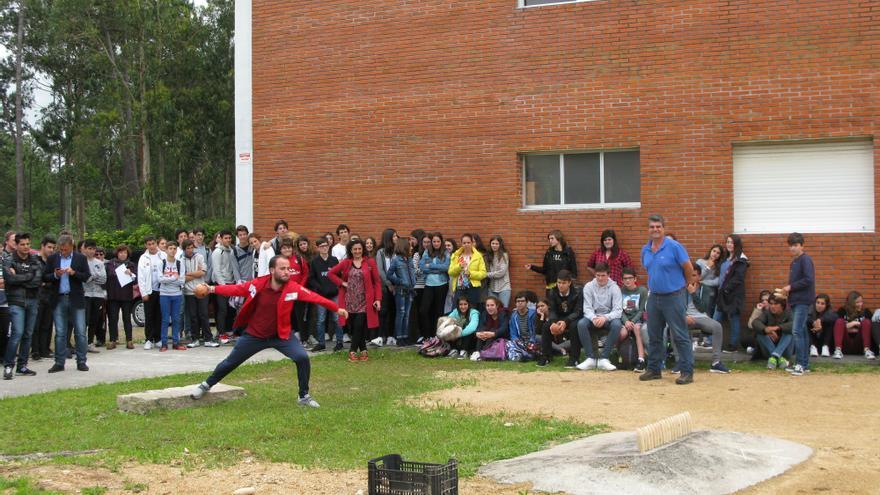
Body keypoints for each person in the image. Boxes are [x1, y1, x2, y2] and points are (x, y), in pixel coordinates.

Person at [190, 256, 348, 406]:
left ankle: (303, 396)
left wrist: (337, 308)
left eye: (289, 269)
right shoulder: (258, 284)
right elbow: (236, 289)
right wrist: (211, 288)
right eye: (282, 268)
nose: (287, 272)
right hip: (255, 335)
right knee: (230, 362)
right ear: (272, 270)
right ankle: (206, 385)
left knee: (302, 358)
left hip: (281, 335)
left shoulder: (293, 288)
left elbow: (314, 297)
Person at [639, 215, 694, 385]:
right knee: (654, 335)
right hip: (654, 297)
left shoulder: (674, 247)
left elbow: (688, 268)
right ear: (648, 229)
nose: (655, 230)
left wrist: (683, 285)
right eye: (652, 227)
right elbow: (649, 269)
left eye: (658, 227)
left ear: (663, 228)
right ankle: (654, 369)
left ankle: (686, 371)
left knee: (680, 335)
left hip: (673, 297)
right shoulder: (645, 250)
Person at [328, 239, 382, 361]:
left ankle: (352, 350)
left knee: (359, 325)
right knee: (356, 328)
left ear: (363, 249)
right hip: (349, 301)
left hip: (365, 301)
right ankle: (363, 350)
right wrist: (342, 283)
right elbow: (330, 273)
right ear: (351, 251)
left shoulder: (370, 262)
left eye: (359, 249)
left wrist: (378, 299)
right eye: (355, 249)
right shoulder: (346, 263)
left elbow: (377, 282)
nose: (357, 251)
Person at [45, 234, 91, 373]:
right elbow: (44, 276)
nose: (63, 252)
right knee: (60, 332)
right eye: (61, 249)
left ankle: (81, 361)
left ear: (72, 247)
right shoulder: (53, 258)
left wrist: (74, 273)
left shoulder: (80, 258)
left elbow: (86, 276)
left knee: (80, 332)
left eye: (65, 249)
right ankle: (59, 362)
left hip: (75, 298)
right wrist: (55, 275)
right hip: (59, 298)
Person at [2, 233, 43, 379]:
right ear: (17, 245)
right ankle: (8, 366)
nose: (26, 247)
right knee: (17, 333)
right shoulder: (8, 259)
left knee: (28, 334)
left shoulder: (35, 260)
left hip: (33, 300)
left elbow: (37, 280)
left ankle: (22, 366)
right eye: (23, 244)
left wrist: (19, 276)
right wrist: (27, 276)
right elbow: (10, 279)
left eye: (28, 244)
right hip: (16, 301)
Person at [575, 263, 623, 371]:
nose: (600, 278)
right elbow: (586, 308)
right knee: (581, 324)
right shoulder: (588, 287)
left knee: (617, 324)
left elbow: (618, 310)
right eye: (598, 275)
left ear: (608, 275)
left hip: (608, 318)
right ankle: (590, 359)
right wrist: (594, 318)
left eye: (603, 275)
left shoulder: (615, 288)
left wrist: (605, 318)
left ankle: (604, 359)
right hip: (593, 317)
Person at [684, 264, 730, 373]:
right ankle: (680, 362)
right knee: (674, 326)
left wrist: (693, 294)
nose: (691, 278)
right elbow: (677, 306)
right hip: (685, 316)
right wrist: (684, 316)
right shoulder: (680, 288)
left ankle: (716, 362)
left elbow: (702, 308)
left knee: (717, 326)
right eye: (689, 275)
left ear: (699, 277)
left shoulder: (705, 288)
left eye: (694, 275)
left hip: (701, 316)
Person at [782, 232, 816, 375]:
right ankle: (804, 363)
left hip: (803, 300)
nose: (792, 248)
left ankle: (801, 364)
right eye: (791, 246)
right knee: (801, 331)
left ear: (802, 245)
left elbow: (809, 279)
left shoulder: (805, 260)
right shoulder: (794, 261)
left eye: (795, 245)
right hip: (796, 300)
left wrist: (790, 287)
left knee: (797, 331)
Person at [539, 269, 582, 367]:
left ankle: (574, 358)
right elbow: (552, 310)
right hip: (558, 317)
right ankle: (546, 357)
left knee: (574, 326)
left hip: (573, 318)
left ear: (569, 283)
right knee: (546, 326)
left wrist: (565, 322)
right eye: (559, 282)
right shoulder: (552, 292)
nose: (560, 285)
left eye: (563, 283)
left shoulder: (578, 291)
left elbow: (578, 311)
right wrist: (553, 322)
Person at [714, 234, 749, 352]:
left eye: (732, 242)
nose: (729, 244)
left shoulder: (741, 260)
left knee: (734, 318)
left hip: (733, 295)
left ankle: (733, 346)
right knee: (716, 318)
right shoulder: (725, 258)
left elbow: (739, 278)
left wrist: (727, 289)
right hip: (722, 294)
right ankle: (709, 342)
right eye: (728, 242)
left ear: (737, 244)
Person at [307, 238, 341, 352]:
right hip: (321, 295)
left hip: (334, 294)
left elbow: (339, 275)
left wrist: (336, 287)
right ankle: (321, 343)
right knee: (321, 319)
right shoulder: (314, 261)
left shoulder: (334, 260)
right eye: (321, 246)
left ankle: (339, 342)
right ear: (318, 248)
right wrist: (319, 288)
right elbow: (311, 279)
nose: (324, 247)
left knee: (337, 318)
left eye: (326, 245)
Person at [183, 240, 218, 348]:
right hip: (189, 292)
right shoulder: (180, 259)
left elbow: (202, 272)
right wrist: (195, 274)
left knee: (204, 315)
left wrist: (188, 274)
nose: (190, 250)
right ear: (184, 249)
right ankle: (195, 339)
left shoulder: (199, 257)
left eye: (191, 247)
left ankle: (208, 339)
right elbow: (182, 278)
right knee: (193, 316)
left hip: (202, 289)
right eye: (187, 248)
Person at [418, 233, 450, 343]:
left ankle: (438, 336)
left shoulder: (445, 252)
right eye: (434, 241)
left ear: (441, 242)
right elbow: (422, 267)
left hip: (441, 285)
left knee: (438, 311)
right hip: (429, 284)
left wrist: (430, 266)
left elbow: (446, 267)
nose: (436, 243)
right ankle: (427, 336)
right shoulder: (427, 252)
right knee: (424, 310)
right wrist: (437, 269)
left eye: (438, 241)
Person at [212, 230, 242, 342]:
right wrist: (223, 286)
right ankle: (221, 333)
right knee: (222, 310)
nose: (228, 240)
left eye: (230, 238)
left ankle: (229, 331)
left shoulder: (231, 250)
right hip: (222, 285)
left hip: (232, 284)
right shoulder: (217, 252)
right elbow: (217, 270)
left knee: (231, 309)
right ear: (221, 238)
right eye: (226, 238)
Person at [105, 244, 137, 350]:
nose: (123, 254)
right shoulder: (110, 263)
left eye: (125, 252)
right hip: (113, 295)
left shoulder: (131, 265)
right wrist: (120, 271)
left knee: (127, 318)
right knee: (113, 318)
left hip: (126, 296)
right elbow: (110, 274)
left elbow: (135, 279)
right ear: (117, 253)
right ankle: (113, 340)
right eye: (121, 252)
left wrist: (130, 274)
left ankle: (129, 340)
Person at [137, 236, 167, 349]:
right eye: (149, 244)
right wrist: (143, 292)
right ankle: (149, 339)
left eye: (153, 243)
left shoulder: (163, 255)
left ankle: (158, 338)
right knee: (149, 316)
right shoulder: (143, 258)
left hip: (162, 290)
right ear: (146, 245)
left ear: (156, 244)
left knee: (159, 315)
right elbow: (141, 277)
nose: (151, 246)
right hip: (149, 291)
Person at [387, 238, 416, 346]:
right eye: (410, 246)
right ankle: (399, 337)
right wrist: (400, 281)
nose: (411, 248)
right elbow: (389, 275)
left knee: (407, 314)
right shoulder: (396, 260)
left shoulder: (409, 259)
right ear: (404, 247)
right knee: (401, 313)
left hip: (410, 290)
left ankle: (405, 336)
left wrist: (414, 281)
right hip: (401, 290)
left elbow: (412, 273)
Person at [753, 294, 793, 370]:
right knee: (760, 333)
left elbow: (794, 324)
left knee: (789, 333)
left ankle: (775, 357)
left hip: (785, 350)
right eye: (771, 304)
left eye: (776, 304)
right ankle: (778, 358)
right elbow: (755, 322)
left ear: (782, 305)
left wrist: (777, 328)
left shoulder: (789, 313)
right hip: (769, 349)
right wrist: (766, 330)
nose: (772, 306)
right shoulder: (767, 313)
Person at [158, 242, 187, 351]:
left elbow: (182, 280)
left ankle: (176, 342)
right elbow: (160, 279)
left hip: (177, 294)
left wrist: (168, 279)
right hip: (164, 294)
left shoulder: (180, 264)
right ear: (166, 250)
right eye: (170, 248)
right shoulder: (162, 263)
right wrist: (174, 278)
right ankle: (164, 343)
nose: (172, 250)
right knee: (165, 319)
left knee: (176, 319)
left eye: (175, 248)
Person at [619, 266, 648, 372]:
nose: (627, 280)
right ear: (622, 280)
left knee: (636, 328)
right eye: (625, 279)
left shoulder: (642, 291)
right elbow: (619, 310)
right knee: (621, 334)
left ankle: (641, 360)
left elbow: (641, 310)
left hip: (638, 320)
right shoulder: (620, 291)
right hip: (624, 321)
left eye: (630, 278)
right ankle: (621, 358)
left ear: (635, 279)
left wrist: (632, 321)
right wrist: (626, 321)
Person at [448, 233, 487, 309]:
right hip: (459, 288)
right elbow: (450, 272)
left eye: (468, 242)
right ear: (461, 244)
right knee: (456, 310)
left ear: (472, 243)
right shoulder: (456, 256)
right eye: (464, 243)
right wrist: (459, 267)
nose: (466, 245)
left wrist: (470, 274)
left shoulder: (478, 256)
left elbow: (483, 273)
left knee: (472, 311)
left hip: (473, 288)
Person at [32, 236, 56, 359]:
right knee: (36, 324)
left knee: (47, 324)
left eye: (53, 247)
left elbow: (54, 278)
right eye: (49, 247)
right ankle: (35, 350)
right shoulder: (35, 260)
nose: (51, 250)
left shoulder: (52, 261)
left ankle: (45, 349)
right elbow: (37, 278)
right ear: (42, 246)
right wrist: (46, 281)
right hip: (38, 296)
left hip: (50, 296)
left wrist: (47, 281)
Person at [832, 291, 874, 360]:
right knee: (839, 321)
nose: (860, 304)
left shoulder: (866, 312)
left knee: (866, 322)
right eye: (857, 302)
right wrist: (853, 324)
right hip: (845, 343)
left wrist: (849, 327)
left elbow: (869, 329)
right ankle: (838, 350)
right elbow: (837, 328)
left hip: (860, 344)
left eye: (861, 302)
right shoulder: (842, 311)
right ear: (851, 303)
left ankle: (867, 350)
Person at [375, 228, 399, 346]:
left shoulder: (397, 251)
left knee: (393, 310)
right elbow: (380, 270)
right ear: (389, 238)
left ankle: (391, 335)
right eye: (394, 236)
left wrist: (394, 283)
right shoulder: (380, 252)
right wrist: (389, 284)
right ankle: (380, 336)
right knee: (383, 311)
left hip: (396, 285)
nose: (396, 238)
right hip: (384, 286)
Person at [82, 240, 107, 351]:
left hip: (98, 294)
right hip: (85, 294)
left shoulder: (100, 263)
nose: (92, 251)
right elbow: (84, 279)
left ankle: (90, 342)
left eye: (93, 249)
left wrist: (92, 276)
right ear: (85, 249)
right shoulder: (81, 261)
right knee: (84, 320)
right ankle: (82, 342)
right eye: (89, 249)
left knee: (94, 319)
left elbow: (103, 279)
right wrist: (93, 276)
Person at [473, 295, 509, 361]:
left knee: (492, 330)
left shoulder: (503, 313)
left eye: (492, 305)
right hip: (487, 336)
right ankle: (477, 352)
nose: (490, 308)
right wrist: (477, 333)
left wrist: (493, 333)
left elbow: (504, 329)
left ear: (497, 306)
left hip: (501, 337)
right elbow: (480, 326)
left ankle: (485, 352)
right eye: (488, 305)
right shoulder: (484, 314)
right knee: (482, 331)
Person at [506, 292, 538, 362]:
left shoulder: (533, 314)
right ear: (515, 303)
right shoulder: (514, 316)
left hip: (532, 341)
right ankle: (523, 355)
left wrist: (531, 341)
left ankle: (526, 355)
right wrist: (516, 339)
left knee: (533, 346)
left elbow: (535, 331)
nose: (520, 303)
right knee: (508, 343)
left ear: (527, 303)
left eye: (522, 301)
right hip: (521, 342)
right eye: (518, 301)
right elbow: (513, 333)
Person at [485, 235, 511, 308]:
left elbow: (501, 272)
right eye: (493, 243)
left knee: (504, 309)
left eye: (496, 244)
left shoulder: (504, 255)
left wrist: (486, 274)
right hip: (492, 288)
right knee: (492, 309)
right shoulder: (489, 255)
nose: (494, 245)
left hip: (504, 287)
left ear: (500, 245)